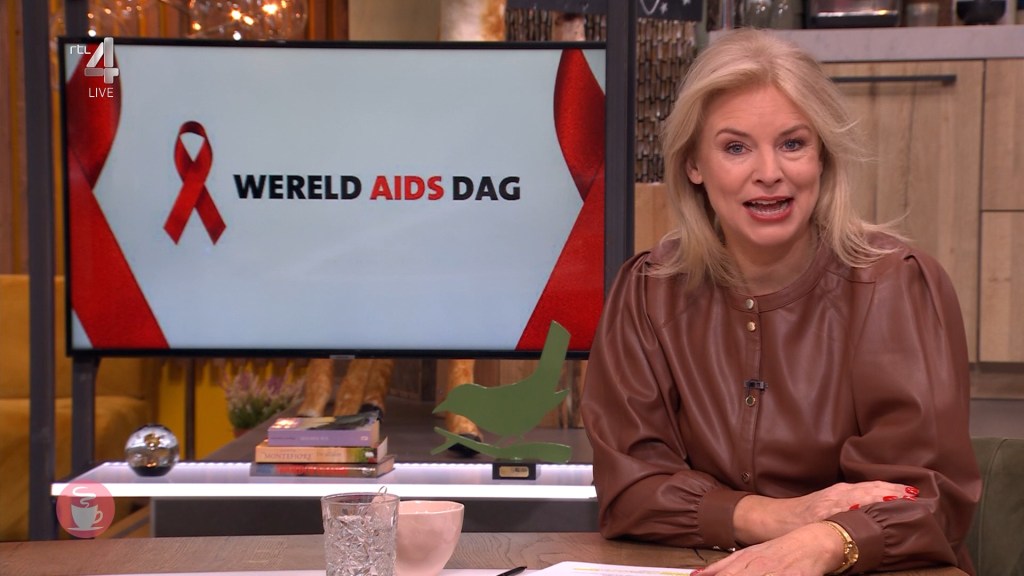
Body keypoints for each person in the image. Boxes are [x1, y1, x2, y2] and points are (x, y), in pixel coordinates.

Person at [580, 28, 980, 576]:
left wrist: (821, 543)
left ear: (822, 158)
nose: (769, 173)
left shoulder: (896, 286)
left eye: (793, 144)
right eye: (735, 147)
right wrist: (778, 517)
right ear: (694, 164)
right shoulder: (648, 290)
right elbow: (630, 492)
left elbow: (926, 501)